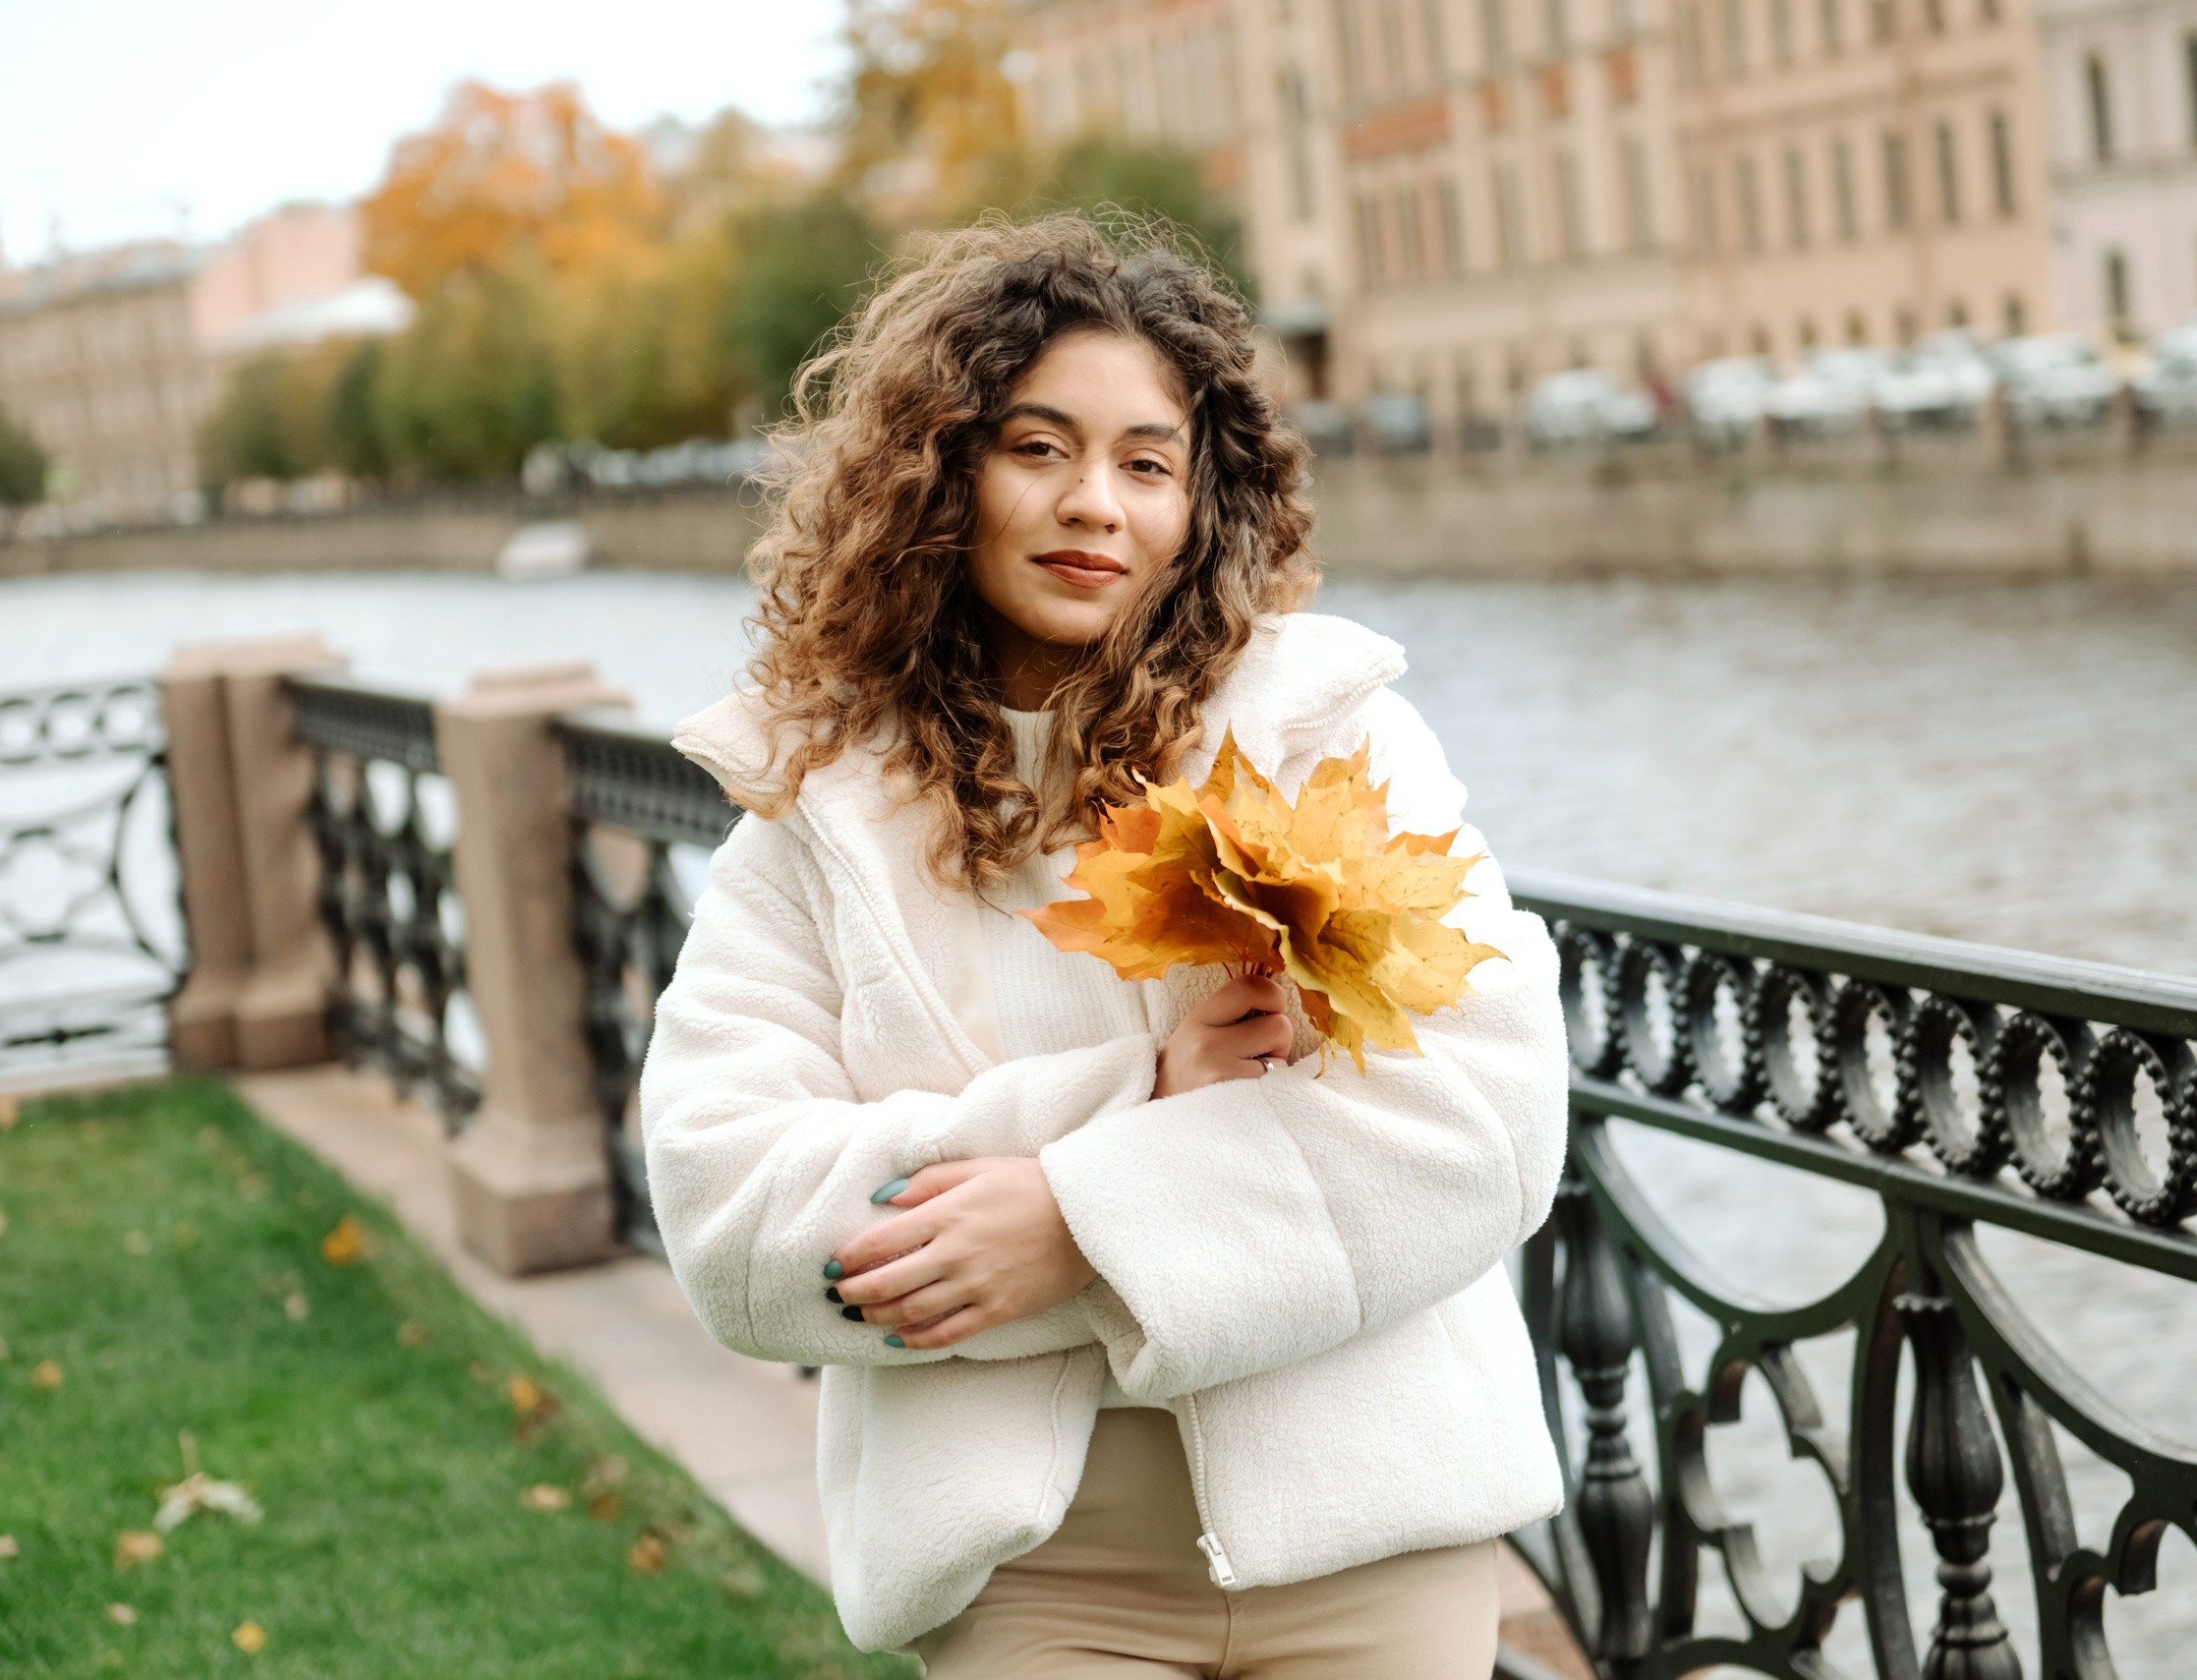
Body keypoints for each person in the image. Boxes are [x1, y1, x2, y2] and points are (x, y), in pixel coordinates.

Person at [641, 214, 1569, 1678]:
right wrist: (1124, 1106)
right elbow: (731, 1218)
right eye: (1038, 447)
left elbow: (1486, 1125)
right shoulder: (815, 811)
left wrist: (1078, 1219)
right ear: (940, 472)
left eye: (1147, 462)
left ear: (1202, 501)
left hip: (1378, 1536)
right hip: (1034, 1576)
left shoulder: (1331, 735)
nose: (1097, 505)